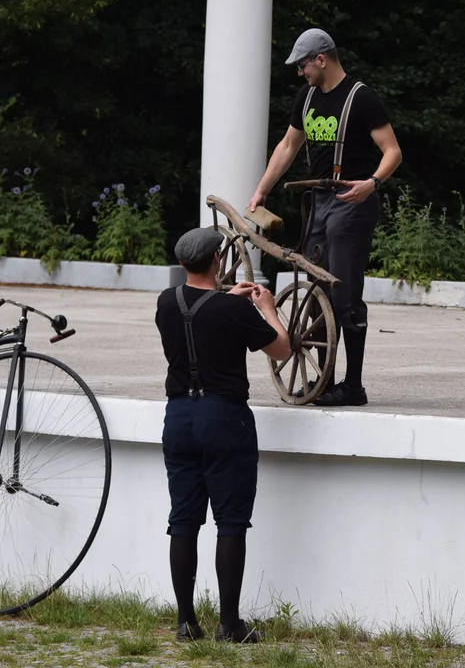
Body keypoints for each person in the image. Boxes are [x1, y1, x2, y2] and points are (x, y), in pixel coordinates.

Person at [246, 27, 402, 407]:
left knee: (343, 291)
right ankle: (325, 380)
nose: (301, 73)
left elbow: (392, 151)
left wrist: (372, 183)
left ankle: (354, 385)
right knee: (315, 289)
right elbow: (288, 145)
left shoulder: (361, 98)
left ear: (322, 59)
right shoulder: (307, 97)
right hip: (319, 200)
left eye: (303, 65)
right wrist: (262, 188)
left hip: (352, 201)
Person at [154, 227, 291, 643]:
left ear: (182, 264)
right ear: (218, 261)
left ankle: (185, 622)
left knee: (183, 520)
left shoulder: (165, 301)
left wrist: (226, 301)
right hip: (224, 419)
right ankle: (229, 624)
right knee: (230, 521)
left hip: (178, 417)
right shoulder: (235, 311)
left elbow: (200, 313)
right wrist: (266, 308)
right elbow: (282, 349)